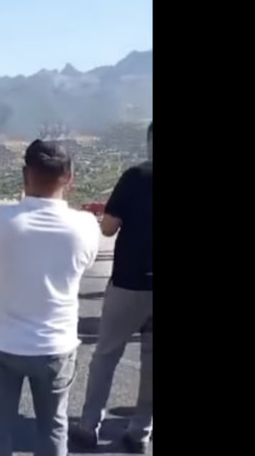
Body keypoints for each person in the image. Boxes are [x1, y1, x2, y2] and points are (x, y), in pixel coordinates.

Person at [0, 139, 100, 456]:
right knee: (53, 428)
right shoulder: (86, 226)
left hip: (0, 344)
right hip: (55, 347)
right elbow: (82, 266)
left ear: (24, 175)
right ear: (69, 177)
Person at [72, 121, 153, 453]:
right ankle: (141, 431)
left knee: (106, 355)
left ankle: (90, 426)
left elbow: (107, 228)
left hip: (129, 282)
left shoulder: (135, 176)